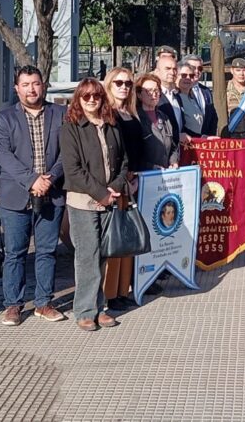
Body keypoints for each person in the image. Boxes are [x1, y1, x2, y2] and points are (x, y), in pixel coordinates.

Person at [0, 66, 67, 327]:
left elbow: (67, 152)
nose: (31, 89)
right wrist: (32, 180)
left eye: (35, 84)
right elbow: (3, 155)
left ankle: (43, 302)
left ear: (43, 85)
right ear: (17, 88)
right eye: (25, 84)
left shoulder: (60, 113)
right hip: (16, 195)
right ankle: (13, 304)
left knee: (47, 250)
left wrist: (49, 178)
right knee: (15, 252)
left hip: (52, 190)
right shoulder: (4, 118)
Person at [59, 78, 130, 331]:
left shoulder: (112, 124)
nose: (91, 100)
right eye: (86, 96)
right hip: (83, 201)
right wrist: (101, 193)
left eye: (96, 96)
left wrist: (117, 186)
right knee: (87, 255)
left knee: (102, 254)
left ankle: (99, 307)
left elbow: (123, 161)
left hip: (110, 197)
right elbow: (73, 170)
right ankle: (85, 310)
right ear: (78, 99)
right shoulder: (71, 127)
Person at [103, 67, 142, 310]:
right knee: (112, 241)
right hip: (114, 184)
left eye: (128, 83)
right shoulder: (106, 113)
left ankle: (121, 290)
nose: (124, 87)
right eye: (118, 83)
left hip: (132, 182)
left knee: (127, 240)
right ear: (109, 85)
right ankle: (108, 294)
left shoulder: (131, 113)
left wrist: (134, 174)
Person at [135, 74, 180, 170]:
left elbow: (173, 146)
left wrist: (173, 161)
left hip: (166, 176)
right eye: (148, 91)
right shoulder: (135, 119)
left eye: (156, 90)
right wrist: (150, 166)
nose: (154, 94)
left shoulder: (165, 118)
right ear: (139, 95)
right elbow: (133, 155)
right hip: (144, 176)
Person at [177, 58, 218, 138]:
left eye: (191, 75)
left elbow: (212, 118)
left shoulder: (204, 92)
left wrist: (205, 138)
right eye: (184, 75)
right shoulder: (174, 97)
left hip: (200, 142)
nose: (188, 78)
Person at [154, 52, 183, 144]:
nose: (172, 72)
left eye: (175, 69)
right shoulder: (152, 96)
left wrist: (202, 138)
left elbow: (181, 127)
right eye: (167, 68)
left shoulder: (177, 96)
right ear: (157, 72)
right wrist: (177, 136)